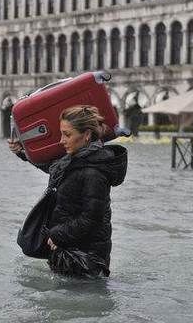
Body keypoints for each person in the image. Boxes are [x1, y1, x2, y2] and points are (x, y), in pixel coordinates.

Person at [9, 105, 127, 276]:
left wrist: (57, 235)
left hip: (87, 260)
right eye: (61, 133)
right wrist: (22, 152)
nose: (61, 140)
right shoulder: (75, 160)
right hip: (69, 252)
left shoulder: (94, 171)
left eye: (67, 134)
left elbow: (91, 218)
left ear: (86, 135)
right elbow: (54, 168)